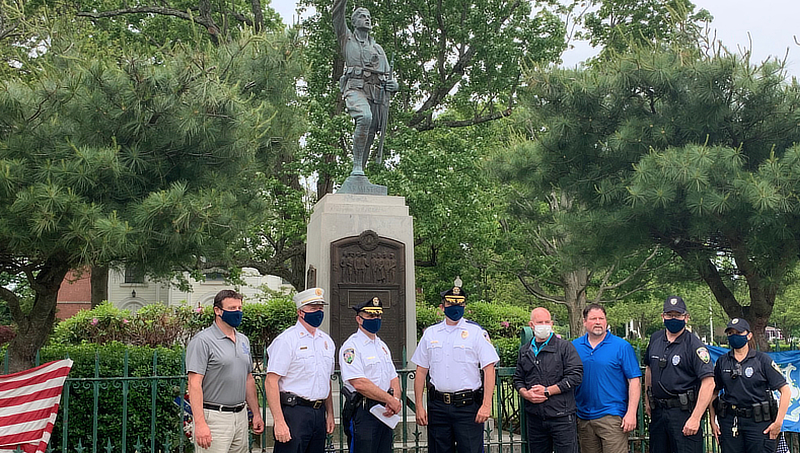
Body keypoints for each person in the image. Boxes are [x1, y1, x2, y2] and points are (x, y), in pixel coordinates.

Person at [411, 284, 500, 453]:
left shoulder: (476, 333)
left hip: (467, 407)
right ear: (442, 307)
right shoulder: (430, 334)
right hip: (438, 407)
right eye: (451, 304)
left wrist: (487, 405)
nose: (455, 308)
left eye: (459, 304)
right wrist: (419, 407)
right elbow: (421, 371)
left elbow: (489, 369)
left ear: (464, 306)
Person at [185, 290, 265, 453]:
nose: (237, 312)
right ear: (217, 311)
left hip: (241, 416)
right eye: (232, 308)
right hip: (214, 418)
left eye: (240, 308)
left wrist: (256, 413)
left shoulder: (243, 340)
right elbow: (194, 384)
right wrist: (200, 423)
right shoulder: (202, 341)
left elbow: (248, 378)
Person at [332, 0, 399, 176]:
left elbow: (386, 76)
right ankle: (356, 166)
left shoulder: (377, 48)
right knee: (365, 117)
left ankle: (359, 172)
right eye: (362, 16)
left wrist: (394, 85)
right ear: (354, 22)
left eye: (369, 17)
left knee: (370, 132)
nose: (367, 19)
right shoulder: (346, 39)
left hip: (375, 94)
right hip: (355, 88)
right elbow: (337, 15)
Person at [265, 288, 335, 453]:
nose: (318, 312)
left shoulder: (326, 341)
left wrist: (330, 413)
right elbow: (271, 381)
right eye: (313, 308)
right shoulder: (286, 340)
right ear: (300, 312)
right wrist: (279, 421)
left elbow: (326, 380)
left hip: (318, 412)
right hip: (295, 412)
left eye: (320, 308)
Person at [644, 296, 714, 453]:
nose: (673, 319)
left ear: (686, 317)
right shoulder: (655, 339)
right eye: (669, 315)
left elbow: (709, 382)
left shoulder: (694, 345)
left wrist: (696, 418)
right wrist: (647, 399)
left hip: (684, 413)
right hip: (659, 412)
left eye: (677, 315)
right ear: (663, 317)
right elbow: (649, 369)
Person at [709, 318, 791, 453]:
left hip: (758, 423)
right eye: (730, 333)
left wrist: (778, 423)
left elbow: (785, 391)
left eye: (738, 332)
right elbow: (714, 392)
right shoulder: (722, 362)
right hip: (730, 421)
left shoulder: (762, 360)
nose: (734, 336)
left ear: (749, 335)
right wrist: (713, 421)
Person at [572, 304, 641, 453]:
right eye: (593, 318)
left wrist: (631, 413)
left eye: (601, 318)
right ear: (584, 322)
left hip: (612, 416)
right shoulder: (574, 347)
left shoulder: (622, 346)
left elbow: (634, 381)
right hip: (583, 416)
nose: (598, 322)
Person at [514, 307, 583, 453]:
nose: (544, 325)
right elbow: (518, 378)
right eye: (540, 322)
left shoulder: (565, 347)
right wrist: (525, 393)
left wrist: (547, 391)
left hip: (562, 417)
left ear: (552, 323)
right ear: (531, 325)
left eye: (547, 322)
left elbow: (575, 376)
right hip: (535, 417)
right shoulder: (525, 351)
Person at [340, 296, 402, 453]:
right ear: (359, 319)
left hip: (385, 411)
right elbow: (359, 383)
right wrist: (390, 400)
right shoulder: (351, 347)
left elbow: (393, 378)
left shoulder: (382, 346)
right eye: (370, 316)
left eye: (378, 315)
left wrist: (394, 401)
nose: (376, 319)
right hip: (363, 412)